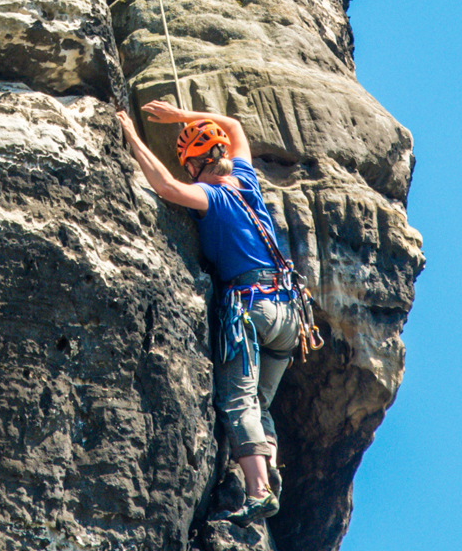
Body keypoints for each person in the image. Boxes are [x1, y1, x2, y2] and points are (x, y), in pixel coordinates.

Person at [115, 100, 322, 526]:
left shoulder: (211, 196)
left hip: (251, 306)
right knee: (260, 402)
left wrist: (133, 137)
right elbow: (235, 124)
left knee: (238, 400)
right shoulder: (245, 178)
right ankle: (269, 471)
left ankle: (259, 490)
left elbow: (167, 189)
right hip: (288, 313)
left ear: (194, 164)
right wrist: (181, 116)